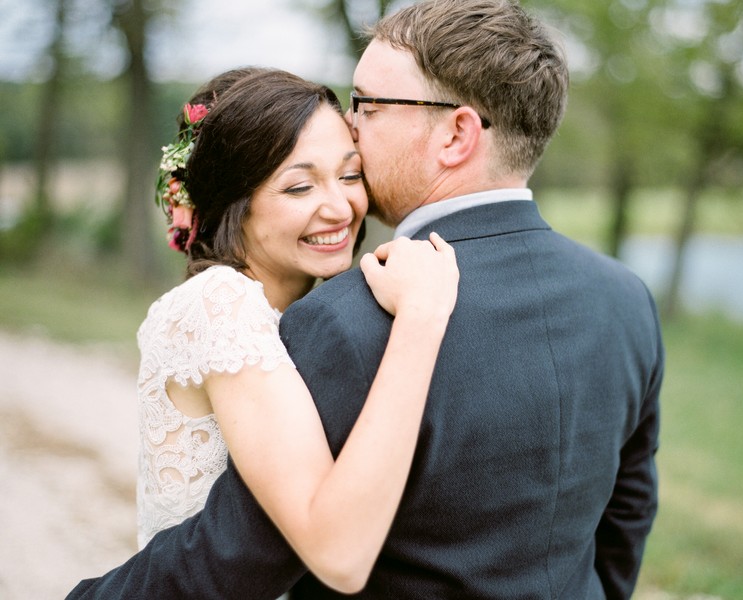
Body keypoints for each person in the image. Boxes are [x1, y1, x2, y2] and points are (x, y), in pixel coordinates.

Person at [68, 1, 663, 599]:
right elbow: (627, 518)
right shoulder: (626, 300)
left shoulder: (343, 321)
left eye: (368, 107)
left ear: (457, 134)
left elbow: (238, 556)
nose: (350, 123)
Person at [79, 66, 460, 594]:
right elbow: (341, 554)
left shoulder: (295, 306)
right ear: (234, 199)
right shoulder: (220, 304)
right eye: (299, 186)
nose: (339, 207)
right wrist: (421, 318)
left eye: (349, 176)